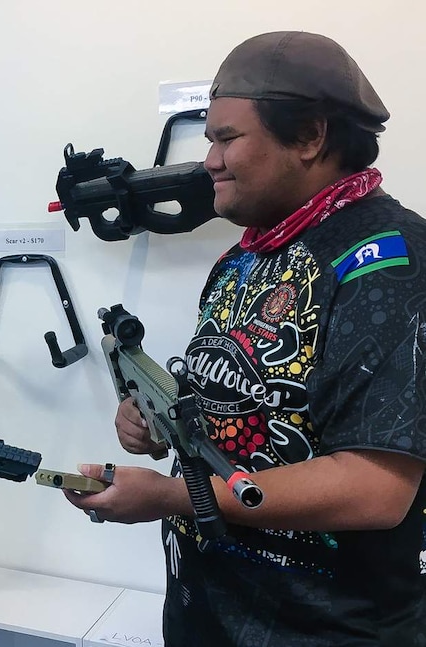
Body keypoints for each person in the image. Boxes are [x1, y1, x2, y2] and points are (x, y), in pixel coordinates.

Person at [64, 31, 425, 646]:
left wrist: (177, 495)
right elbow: (249, 397)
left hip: (326, 630)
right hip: (209, 613)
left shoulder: (390, 263)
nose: (209, 159)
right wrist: (158, 423)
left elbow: (375, 489)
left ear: (310, 136)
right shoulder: (246, 256)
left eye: (227, 138)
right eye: (210, 139)